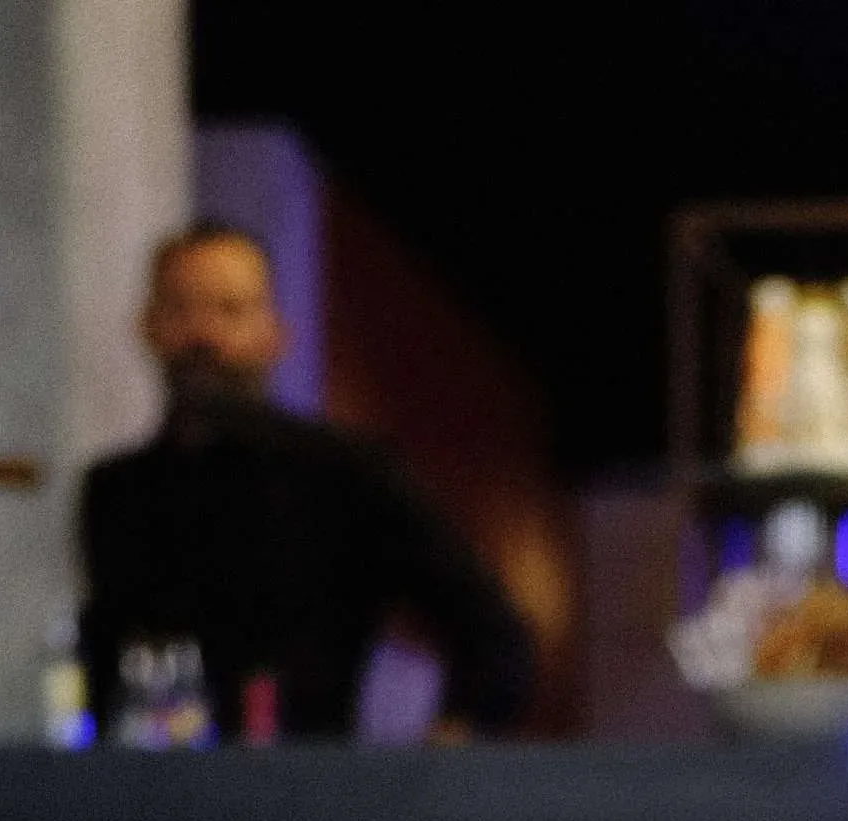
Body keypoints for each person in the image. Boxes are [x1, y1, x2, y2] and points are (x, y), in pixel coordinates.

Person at [79, 222, 533, 740]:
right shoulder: (115, 493)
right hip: (148, 802)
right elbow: (105, 664)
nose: (202, 334)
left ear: (273, 334)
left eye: (229, 309)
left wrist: (442, 759)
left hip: (304, 799)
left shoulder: (345, 472)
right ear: (149, 326)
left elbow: (493, 637)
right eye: (181, 308)